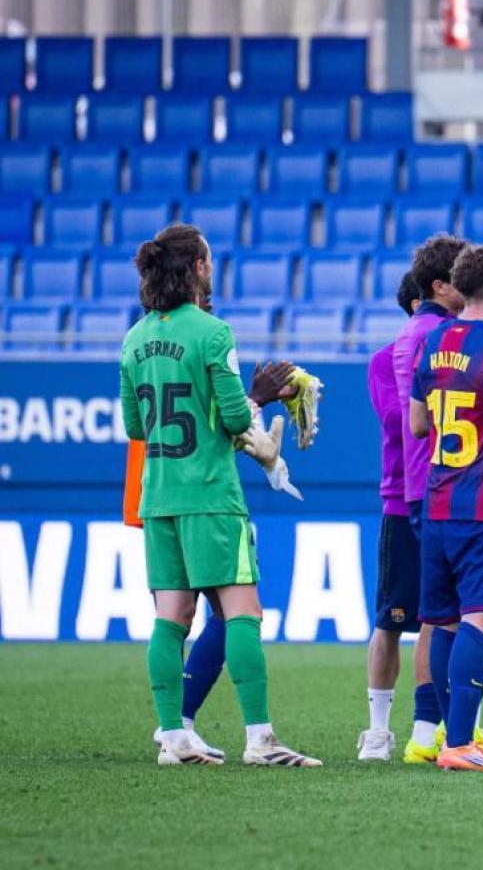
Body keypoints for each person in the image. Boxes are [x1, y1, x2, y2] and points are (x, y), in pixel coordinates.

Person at [120, 224, 319, 767]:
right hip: (210, 494)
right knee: (243, 612)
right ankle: (260, 738)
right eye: (208, 258)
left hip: (157, 495)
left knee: (171, 618)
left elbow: (135, 424)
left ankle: (174, 737)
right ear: (198, 269)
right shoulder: (212, 333)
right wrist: (256, 398)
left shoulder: (134, 339)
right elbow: (235, 416)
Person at [393, 235, 483, 765]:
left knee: (446, 620)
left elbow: (417, 422)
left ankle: (449, 738)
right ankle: (459, 743)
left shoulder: (434, 342)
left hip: (437, 502)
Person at [357, 271, 427, 761]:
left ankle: (441, 726)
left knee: (447, 621)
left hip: (450, 501)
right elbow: (398, 421)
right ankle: (378, 729)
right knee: (391, 620)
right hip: (405, 500)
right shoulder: (388, 360)